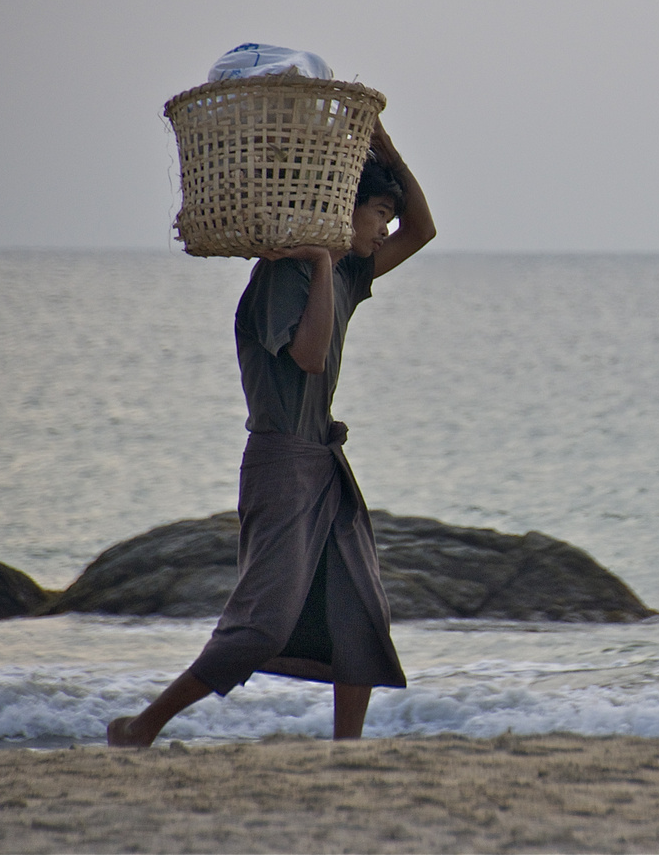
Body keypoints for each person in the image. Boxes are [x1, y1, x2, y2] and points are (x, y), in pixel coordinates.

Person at [108, 120, 435, 745]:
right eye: (378, 214)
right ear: (345, 213)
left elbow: (425, 230)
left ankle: (348, 751)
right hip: (281, 465)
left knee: (360, 608)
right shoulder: (284, 277)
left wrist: (386, 150)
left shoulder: (347, 276)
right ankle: (141, 727)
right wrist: (314, 259)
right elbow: (309, 356)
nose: (387, 230)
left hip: (322, 462)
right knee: (261, 624)